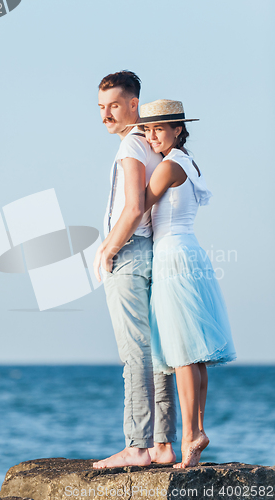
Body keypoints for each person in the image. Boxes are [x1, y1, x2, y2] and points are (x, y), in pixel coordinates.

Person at [132, 99, 237, 468]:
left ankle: (191, 434)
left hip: (174, 256)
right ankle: (197, 431)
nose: (151, 136)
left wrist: (109, 246)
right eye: (146, 129)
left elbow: (137, 207)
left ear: (178, 129)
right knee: (192, 353)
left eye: (159, 128)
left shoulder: (170, 164)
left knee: (182, 353)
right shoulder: (187, 162)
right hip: (186, 252)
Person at [93, 73, 177, 469]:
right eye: (101, 107)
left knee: (135, 353)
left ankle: (137, 446)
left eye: (113, 105)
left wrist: (107, 250)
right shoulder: (152, 144)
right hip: (152, 251)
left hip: (128, 252)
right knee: (157, 350)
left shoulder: (130, 143)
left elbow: (132, 207)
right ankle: (163, 444)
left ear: (133, 105)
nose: (106, 114)